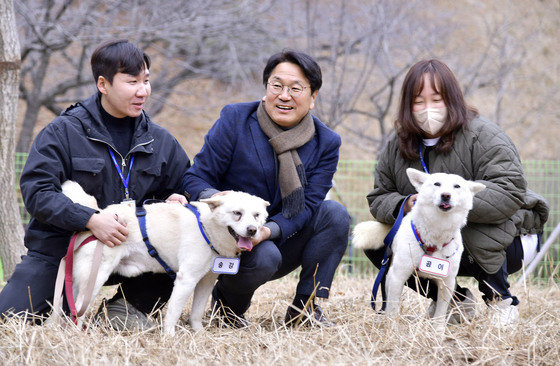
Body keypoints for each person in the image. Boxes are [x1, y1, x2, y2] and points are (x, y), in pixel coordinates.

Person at [0, 40, 191, 329]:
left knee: (180, 258)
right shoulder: (63, 131)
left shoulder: (160, 140)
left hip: (135, 251)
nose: (143, 91)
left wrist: (179, 198)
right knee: (10, 319)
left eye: (146, 81)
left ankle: (124, 309)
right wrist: (89, 220)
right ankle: (68, 301)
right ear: (103, 84)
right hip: (65, 250)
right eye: (132, 82)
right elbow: (37, 192)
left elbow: (184, 185)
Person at [170, 50, 350, 327]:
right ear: (266, 88)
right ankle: (228, 309)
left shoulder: (327, 142)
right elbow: (195, 178)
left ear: (313, 97)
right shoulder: (235, 119)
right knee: (265, 256)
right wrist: (216, 200)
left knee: (334, 214)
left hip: (281, 232)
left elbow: (309, 205)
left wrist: (267, 231)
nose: (284, 95)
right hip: (229, 234)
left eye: (295, 88)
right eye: (276, 85)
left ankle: (305, 307)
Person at [363, 59, 549, 326]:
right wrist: (407, 203)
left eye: (437, 99)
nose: (428, 109)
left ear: (452, 99)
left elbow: (510, 191)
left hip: (513, 237)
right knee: (377, 236)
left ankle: (500, 301)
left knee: (455, 221)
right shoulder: (398, 144)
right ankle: (454, 301)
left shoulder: (484, 134)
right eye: (418, 101)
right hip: (437, 240)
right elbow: (379, 195)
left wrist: (456, 201)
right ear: (407, 105)